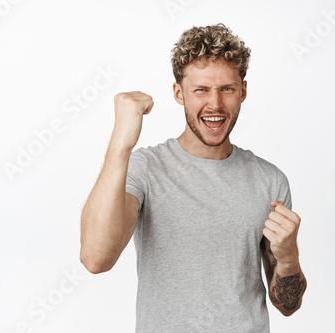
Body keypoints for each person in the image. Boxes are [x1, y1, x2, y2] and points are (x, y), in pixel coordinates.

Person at [80, 23, 306, 332]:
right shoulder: (145, 168)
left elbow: (287, 306)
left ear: (243, 91)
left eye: (226, 88)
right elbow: (96, 259)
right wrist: (121, 144)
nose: (214, 104)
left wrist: (290, 258)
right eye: (201, 90)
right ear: (179, 93)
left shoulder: (269, 180)